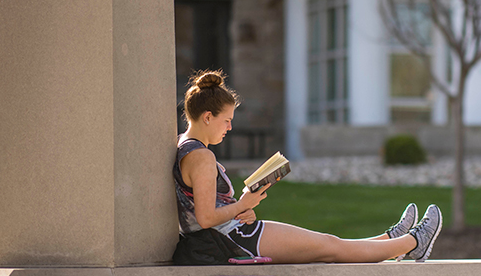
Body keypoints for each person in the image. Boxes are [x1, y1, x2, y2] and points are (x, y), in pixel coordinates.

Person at [173, 70, 442, 263]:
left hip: (230, 235)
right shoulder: (201, 156)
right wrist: (243, 205)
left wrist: (240, 210)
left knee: (330, 244)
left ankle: (390, 240)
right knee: (329, 247)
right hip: (232, 240)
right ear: (208, 117)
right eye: (226, 121)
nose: (230, 127)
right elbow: (206, 217)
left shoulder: (184, 145)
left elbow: (204, 213)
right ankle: (414, 243)